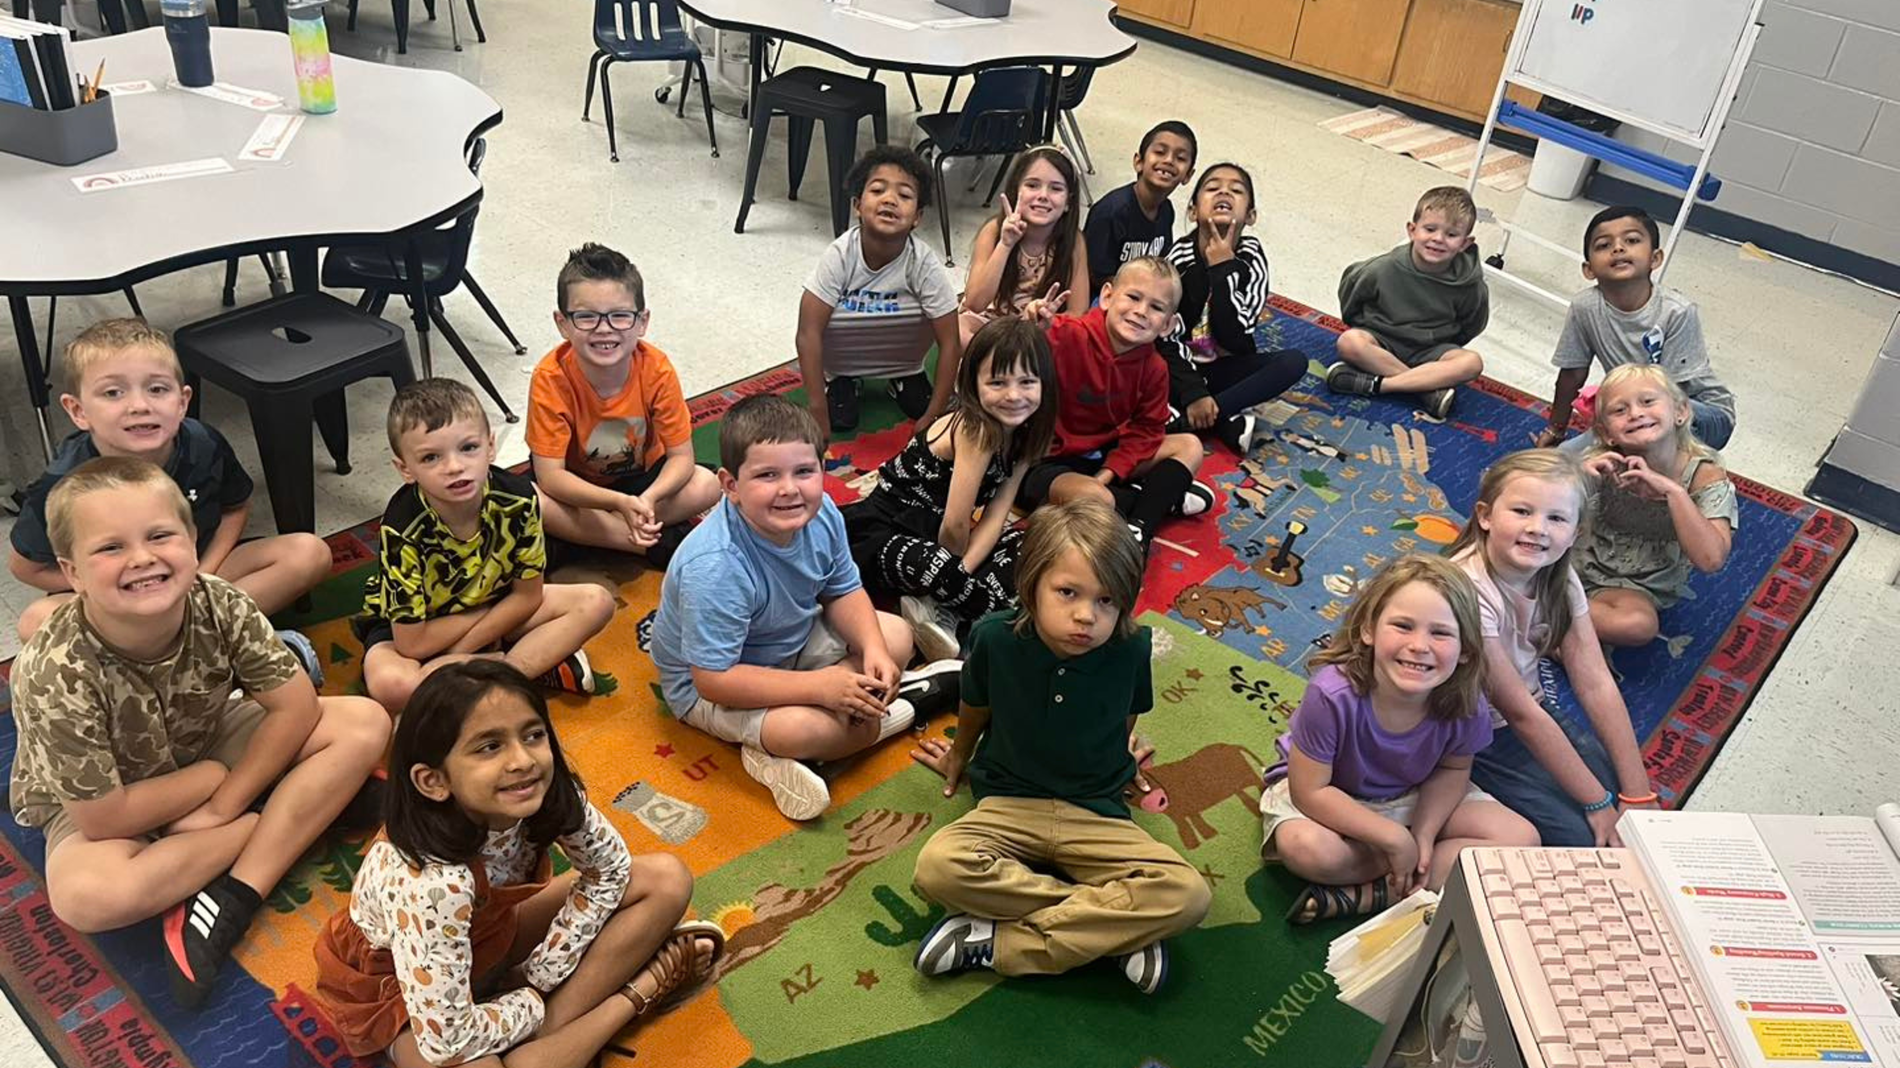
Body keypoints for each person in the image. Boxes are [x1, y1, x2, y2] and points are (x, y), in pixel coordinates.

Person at [6, 456, 389, 1007]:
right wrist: (217, 780)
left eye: (160, 535)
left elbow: (295, 708)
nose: (142, 558)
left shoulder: (218, 599)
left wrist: (219, 803)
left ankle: (234, 892)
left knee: (363, 722)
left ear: (191, 540)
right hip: (107, 800)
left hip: (203, 743)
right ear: (72, 574)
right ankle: (288, 815)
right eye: (110, 548)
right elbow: (104, 815)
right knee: (86, 897)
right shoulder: (51, 670)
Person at [314, 661, 726, 1068]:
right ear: (434, 782)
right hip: (402, 994)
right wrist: (531, 1004)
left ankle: (547, 1039)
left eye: (532, 735)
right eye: (489, 746)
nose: (523, 760)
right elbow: (447, 1040)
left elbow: (611, 870)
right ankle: (636, 995)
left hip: (489, 937)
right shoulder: (433, 884)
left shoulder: (540, 792)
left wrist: (541, 972)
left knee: (665, 879)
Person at [909, 499, 1212, 992]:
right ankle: (1115, 929)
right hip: (1009, 802)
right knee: (938, 868)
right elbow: (976, 706)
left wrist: (1120, 750)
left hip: (1095, 810)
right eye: (1068, 592)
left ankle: (998, 945)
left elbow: (1125, 713)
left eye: (1107, 601)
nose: (1085, 616)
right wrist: (959, 755)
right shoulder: (994, 638)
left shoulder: (1132, 648)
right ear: (1031, 586)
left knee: (1189, 895)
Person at [649, 395, 958, 821]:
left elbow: (843, 590)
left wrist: (870, 649)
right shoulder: (716, 566)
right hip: (715, 685)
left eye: (804, 471)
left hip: (792, 640)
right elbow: (712, 681)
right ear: (730, 485)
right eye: (767, 475)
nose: (790, 489)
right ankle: (901, 707)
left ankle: (824, 724)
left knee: (895, 638)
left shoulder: (823, 512)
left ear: (822, 467)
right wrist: (821, 689)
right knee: (819, 727)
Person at [8, 319, 331, 667]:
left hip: (199, 574)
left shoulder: (203, 443)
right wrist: (109, 591)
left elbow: (234, 508)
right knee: (36, 622)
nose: (139, 405)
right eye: (113, 392)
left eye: (157, 389)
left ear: (182, 401)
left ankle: (183, 645)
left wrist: (197, 573)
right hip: (117, 595)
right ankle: (217, 644)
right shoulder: (62, 482)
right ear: (78, 410)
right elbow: (25, 566)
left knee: (309, 552)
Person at [1262, 554, 1538, 924]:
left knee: (1522, 839)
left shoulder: (1466, 700)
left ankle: (1375, 894)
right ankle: (1411, 875)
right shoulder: (1330, 694)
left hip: (1412, 793)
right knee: (1306, 850)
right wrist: (1394, 839)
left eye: (1440, 633)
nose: (1419, 645)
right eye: (1403, 626)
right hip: (1330, 795)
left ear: (1466, 650)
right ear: (1369, 630)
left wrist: (1423, 834)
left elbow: (1453, 768)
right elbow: (1310, 792)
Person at [356, 379, 615, 714]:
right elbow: (411, 643)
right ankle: (521, 667)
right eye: (431, 457)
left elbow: (529, 596)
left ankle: (487, 675)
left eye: (468, 448)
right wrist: (473, 636)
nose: (454, 467)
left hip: (500, 608)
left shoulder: (518, 499)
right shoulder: (402, 528)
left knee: (596, 602)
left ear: (490, 446)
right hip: (419, 629)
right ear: (406, 469)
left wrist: (459, 655)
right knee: (393, 687)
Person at [1447, 449, 1656, 849]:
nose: (1538, 528)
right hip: (1469, 730)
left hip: (1528, 711)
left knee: (1626, 810)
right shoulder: (1467, 589)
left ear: (1576, 533)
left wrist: (1637, 794)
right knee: (1583, 836)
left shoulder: (1558, 575)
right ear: (1485, 516)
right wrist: (1595, 801)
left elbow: (1596, 682)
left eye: (1556, 518)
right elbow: (1518, 713)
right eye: (1522, 511)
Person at [843, 318, 1058, 662]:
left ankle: (943, 609)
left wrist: (960, 574)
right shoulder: (975, 428)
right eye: (998, 382)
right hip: (884, 533)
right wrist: (950, 572)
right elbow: (956, 525)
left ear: (1044, 384)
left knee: (1040, 542)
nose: (1014, 395)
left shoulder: (1027, 435)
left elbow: (996, 516)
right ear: (972, 384)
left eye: (1027, 381)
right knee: (940, 566)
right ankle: (967, 611)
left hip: (941, 544)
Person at [527, 242, 721, 567]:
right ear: (562, 323)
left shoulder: (657, 368)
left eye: (620, 316)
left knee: (708, 484)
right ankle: (645, 543)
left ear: (642, 322)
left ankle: (592, 538)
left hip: (642, 482)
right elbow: (551, 478)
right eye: (586, 317)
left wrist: (647, 499)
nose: (604, 328)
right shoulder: (550, 377)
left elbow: (681, 458)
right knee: (531, 500)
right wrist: (618, 503)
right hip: (578, 488)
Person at [1017, 256, 1212, 557]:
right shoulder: (1064, 333)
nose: (1140, 312)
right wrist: (1031, 329)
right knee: (1097, 500)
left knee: (1189, 445)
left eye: (1156, 307)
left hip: (1102, 456)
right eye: (1133, 297)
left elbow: (1147, 431)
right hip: (1042, 462)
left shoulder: (1155, 368)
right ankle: (1159, 498)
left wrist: (1107, 473)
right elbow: (1010, 363)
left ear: (1168, 325)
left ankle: (1139, 529)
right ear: (1107, 296)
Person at [1534, 206, 1736, 452]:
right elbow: (1571, 375)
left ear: (1655, 258)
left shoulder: (1677, 311)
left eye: (1631, 240)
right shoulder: (1584, 307)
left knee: (1637, 444)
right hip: (1637, 410)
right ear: (1588, 269)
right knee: (1562, 460)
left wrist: (1613, 417)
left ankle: (1682, 471)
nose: (1618, 248)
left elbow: (1671, 398)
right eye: (1603, 245)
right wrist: (1556, 429)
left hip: (1701, 413)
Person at [796, 145, 963, 435]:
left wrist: (935, 413)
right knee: (841, 422)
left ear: (917, 217)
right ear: (857, 205)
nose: (890, 200)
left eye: (905, 195)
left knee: (923, 411)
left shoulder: (923, 262)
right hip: (840, 364)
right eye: (877, 191)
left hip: (906, 363)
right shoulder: (840, 255)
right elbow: (807, 332)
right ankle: (842, 381)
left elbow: (950, 342)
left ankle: (901, 379)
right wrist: (817, 408)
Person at [1578, 365, 1736, 648]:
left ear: (1681, 412)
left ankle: (1537, 612)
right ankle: (1556, 622)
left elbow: (1711, 559)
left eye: (1648, 401)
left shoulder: (1703, 476)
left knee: (1639, 626)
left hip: (1632, 587)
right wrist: (1576, 478)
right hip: (1570, 562)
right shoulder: (1601, 460)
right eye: (1619, 410)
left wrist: (1673, 492)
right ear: (1606, 433)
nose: (1636, 413)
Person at [1160, 162, 1309, 455]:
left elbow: (1236, 332)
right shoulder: (1177, 258)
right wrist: (1193, 391)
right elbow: (1163, 337)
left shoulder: (1251, 257)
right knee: (1142, 368)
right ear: (1192, 211)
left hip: (1224, 363)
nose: (1224, 192)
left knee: (1293, 362)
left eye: (1236, 190)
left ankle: (1193, 421)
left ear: (1250, 216)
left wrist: (1223, 269)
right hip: (1177, 365)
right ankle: (1220, 419)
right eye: (1212, 188)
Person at [1326, 186, 1489, 419]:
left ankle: (1381, 385)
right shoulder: (1382, 268)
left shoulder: (1470, 284)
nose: (1438, 239)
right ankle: (1426, 390)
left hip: (1431, 350)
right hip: (1382, 341)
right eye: (1430, 229)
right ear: (1412, 230)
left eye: (1451, 235)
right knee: (1349, 341)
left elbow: (1472, 322)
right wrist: (1367, 328)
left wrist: (1443, 347)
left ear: (1465, 243)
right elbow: (1351, 298)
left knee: (1471, 363)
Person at [958, 146, 1091, 345]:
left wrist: (1046, 318)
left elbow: (1078, 312)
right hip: (991, 324)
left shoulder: (1073, 241)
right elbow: (975, 303)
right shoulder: (993, 231)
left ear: (1068, 203)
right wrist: (1005, 244)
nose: (1043, 195)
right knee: (959, 329)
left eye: (1056, 188)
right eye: (1032, 185)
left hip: (1040, 331)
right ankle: (1004, 365)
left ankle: (1009, 366)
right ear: (1015, 191)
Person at [1083, 120, 1198, 294]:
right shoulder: (1111, 212)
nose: (1168, 160)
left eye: (1180, 158)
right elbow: (1094, 274)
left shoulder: (1166, 210)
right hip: (1102, 297)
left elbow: (1161, 264)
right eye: (1160, 152)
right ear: (1139, 162)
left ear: (1188, 175)